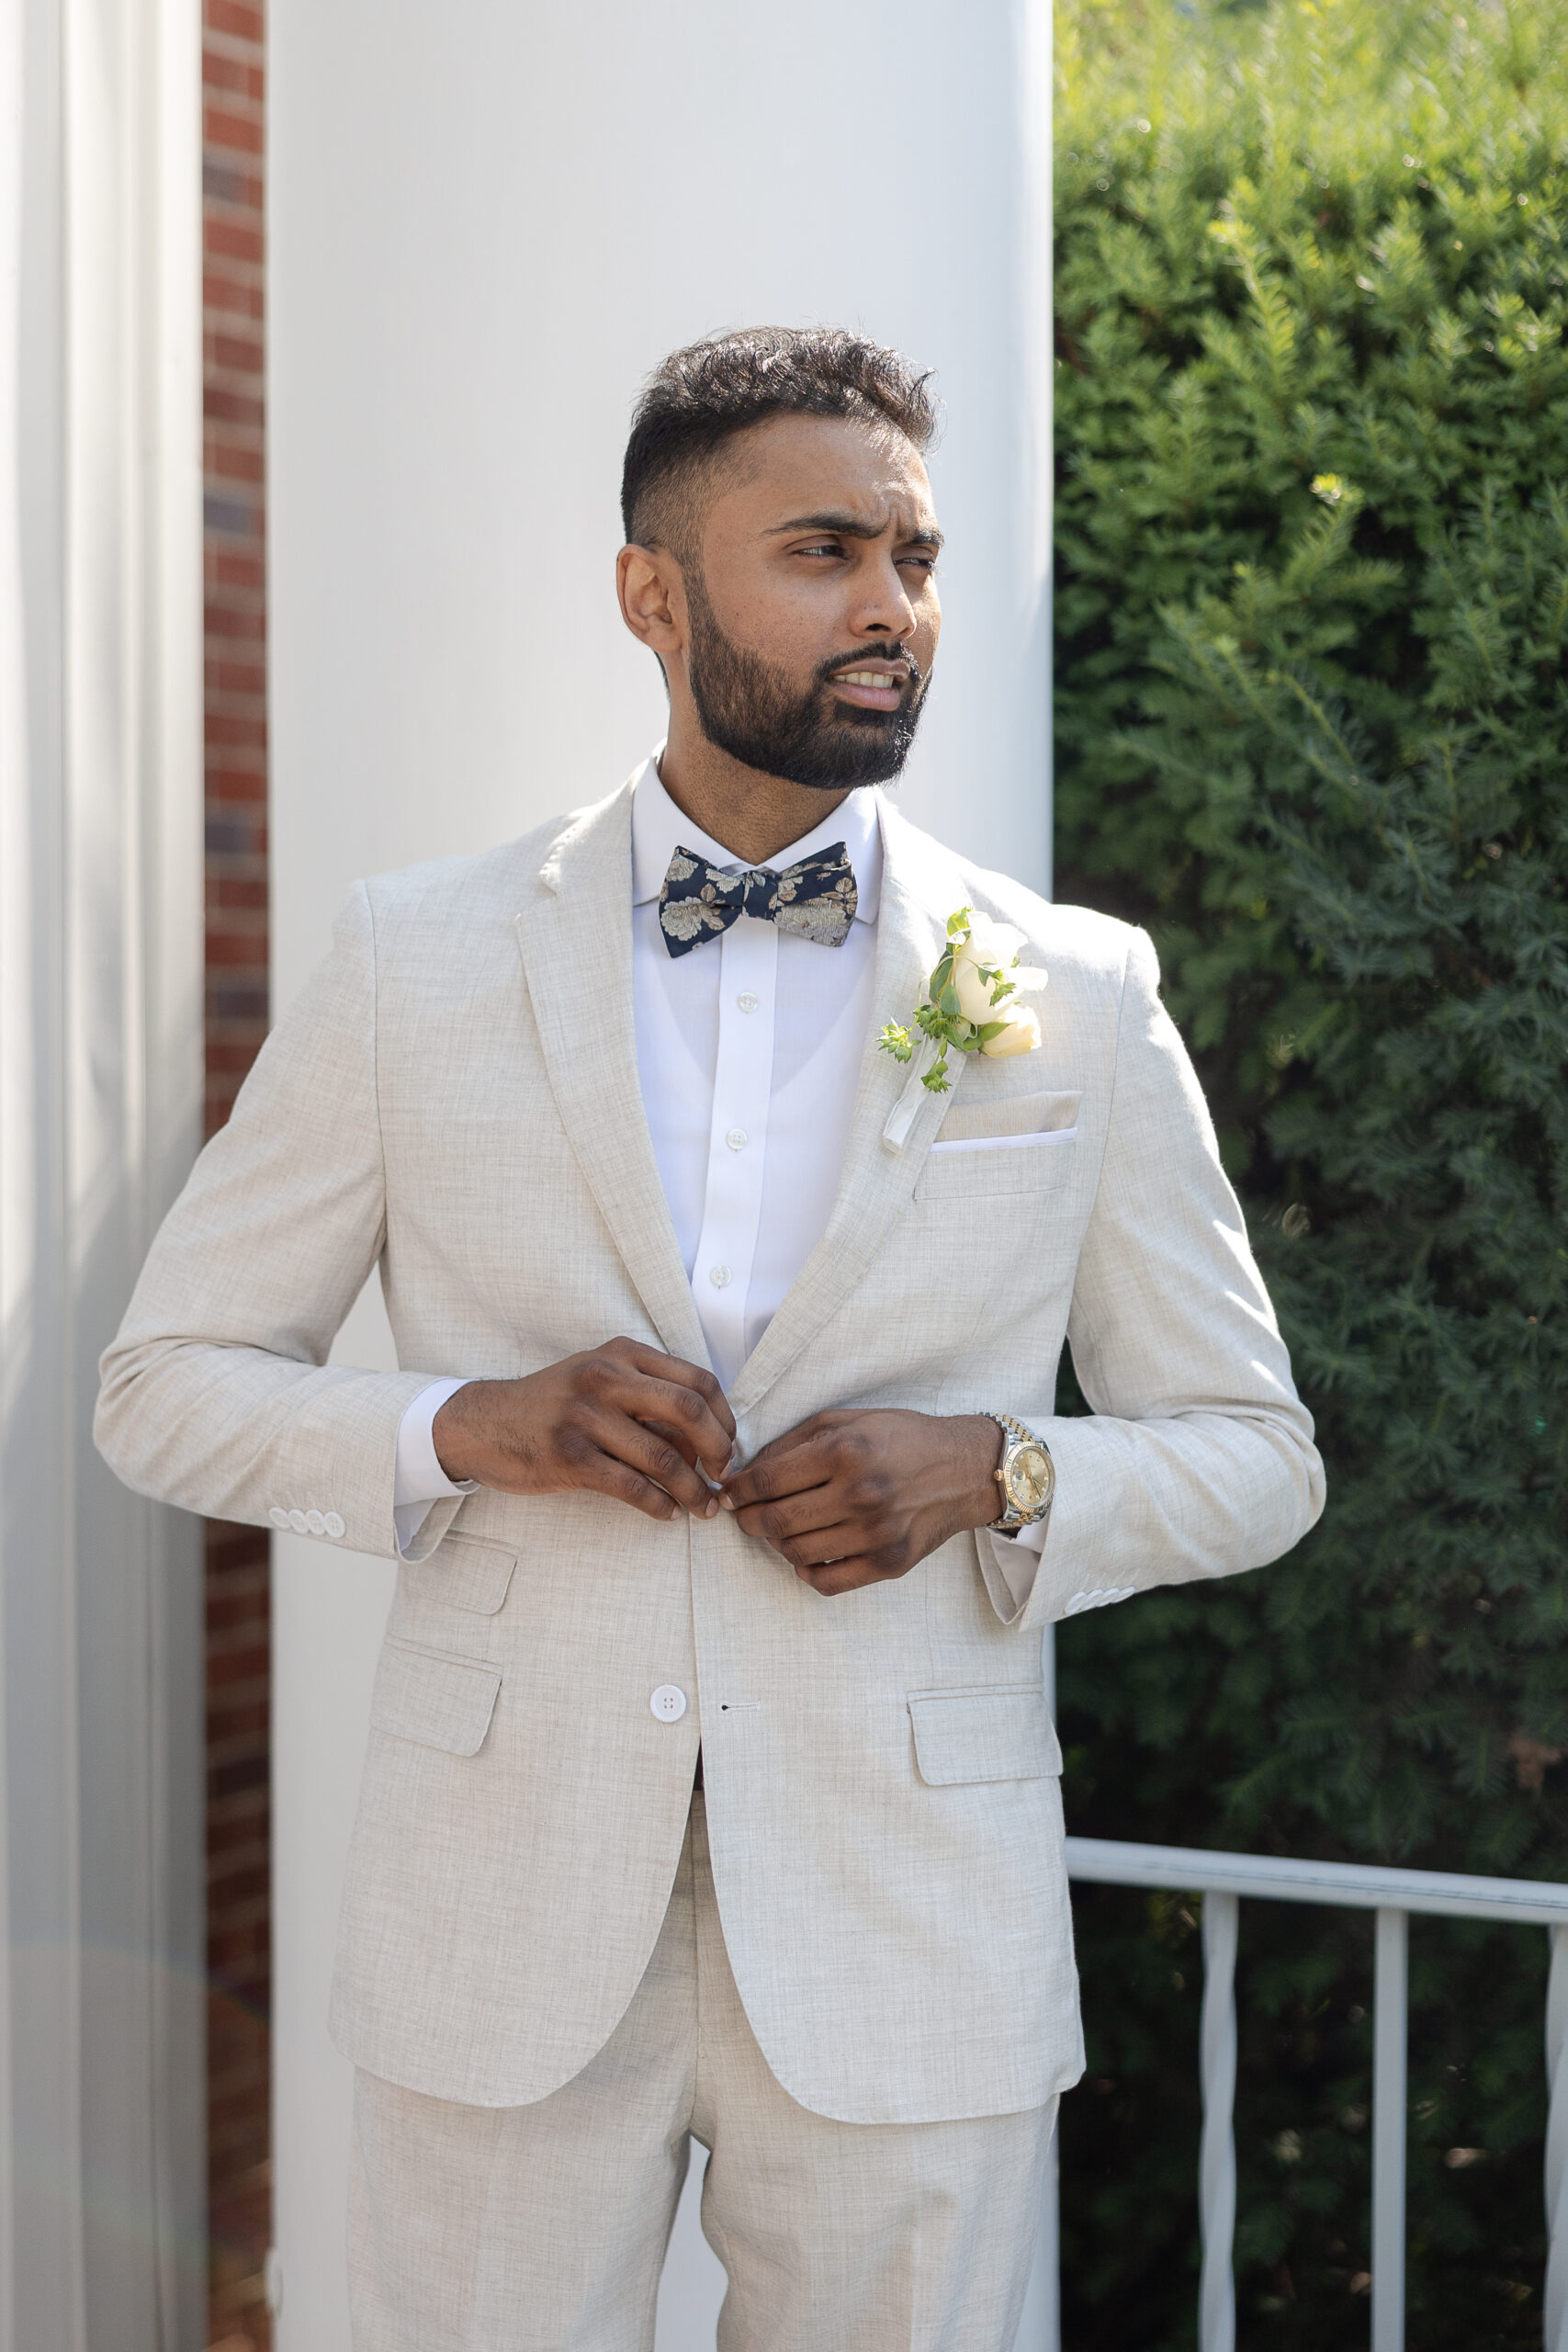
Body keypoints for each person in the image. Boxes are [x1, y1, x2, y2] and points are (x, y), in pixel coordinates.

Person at [97, 326, 1324, 2352]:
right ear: (649, 596)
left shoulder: (1077, 991)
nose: (889, 607)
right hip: (497, 1920)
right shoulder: (415, 959)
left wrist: (1001, 1471)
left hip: (907, 1929)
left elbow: (1253, 1452)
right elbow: (163, 1388)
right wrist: (467, 1425)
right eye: (823, 552)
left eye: (915, 558)